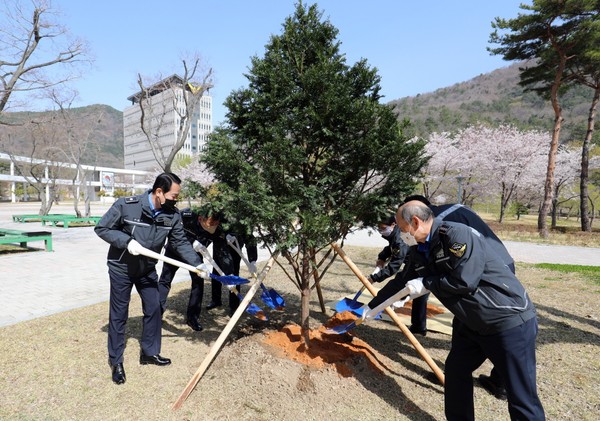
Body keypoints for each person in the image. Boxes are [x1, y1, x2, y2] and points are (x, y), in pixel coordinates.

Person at [370, 200, 545, 420]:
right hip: (469, 321)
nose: (398, 232)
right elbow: (403, 280)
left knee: (521, 395)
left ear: (415, 222)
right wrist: (372, 306)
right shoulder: (419, 248)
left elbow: (464, 281)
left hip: (505, 319)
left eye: (400, 227)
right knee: (455, 372)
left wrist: (427, 283)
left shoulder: (457, 235)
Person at [95, 173, 207, 385]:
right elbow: (102, 228)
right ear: (159, 192)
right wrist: (126, 241)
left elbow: (180, 242)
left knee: (155, 307)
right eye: (174, 196)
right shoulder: (127, 206)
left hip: (146, 269)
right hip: (122, 268)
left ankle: (149, 352)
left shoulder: (172, 216)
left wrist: (197, 263)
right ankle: (116, 361)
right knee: (119, 314)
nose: (177, 200)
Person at [405, 194, 513, 398]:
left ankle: (461, 374)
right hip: (501, 263)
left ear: (417, 216)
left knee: (482, 323)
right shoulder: (456, 208)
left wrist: (425, 281)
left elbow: (460, 275)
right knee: (497, 323)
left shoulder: (438, 224)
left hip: (481, 271)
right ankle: (498, 381)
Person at [158, 206, 222, 332]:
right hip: (174, 251)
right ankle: (156, 313)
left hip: (194, 256)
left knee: (198, 283)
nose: (212, 226)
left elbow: (222, 250)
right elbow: (172, 231)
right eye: (210, 223)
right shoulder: (186, 215)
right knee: (165, 280)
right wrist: (192, 240)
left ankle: (192, 318)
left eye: (216, 223)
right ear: (200, 218)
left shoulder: (217, 228)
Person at [207, 221, 258, 316]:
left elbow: (250, 239)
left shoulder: (243, 217)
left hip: (235, 248)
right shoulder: (221, 213)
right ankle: (216, 300)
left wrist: (253, 261)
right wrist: (224, 235)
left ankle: (234, 306)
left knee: (234, 275)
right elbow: (214, 228)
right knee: (217, 271)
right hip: (220, 246)